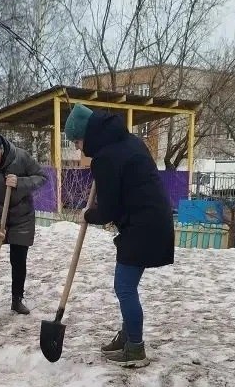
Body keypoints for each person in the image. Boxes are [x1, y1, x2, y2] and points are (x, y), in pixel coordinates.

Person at [63, 103, 174, 367]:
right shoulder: (127, 142)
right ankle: (128, 337)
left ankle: (135, 349)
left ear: (87, 135)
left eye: (77, 141)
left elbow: (108, 210)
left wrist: (88, 215)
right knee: (126, 286)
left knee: (124, 286)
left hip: (142, 226)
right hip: (153, 220)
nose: (78, 148)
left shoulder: (106, 158)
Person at [0, 123, 47, 315]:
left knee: (19, 258)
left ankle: (17, 300)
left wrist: (20, 182)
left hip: (21, 214)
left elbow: (42, 177)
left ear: (0, 149)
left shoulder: (20, 157)